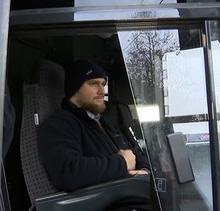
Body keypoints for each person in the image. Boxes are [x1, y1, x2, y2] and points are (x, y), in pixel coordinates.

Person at [38, 59, 150, 210]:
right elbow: (69, 172)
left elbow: (134, 151)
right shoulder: (60, 124)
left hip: (131, 196)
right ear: (75, 88)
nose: (102, 91)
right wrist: (122, 163)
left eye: (103, 84)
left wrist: (144, 171)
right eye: (93, 83)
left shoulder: (104, 122)